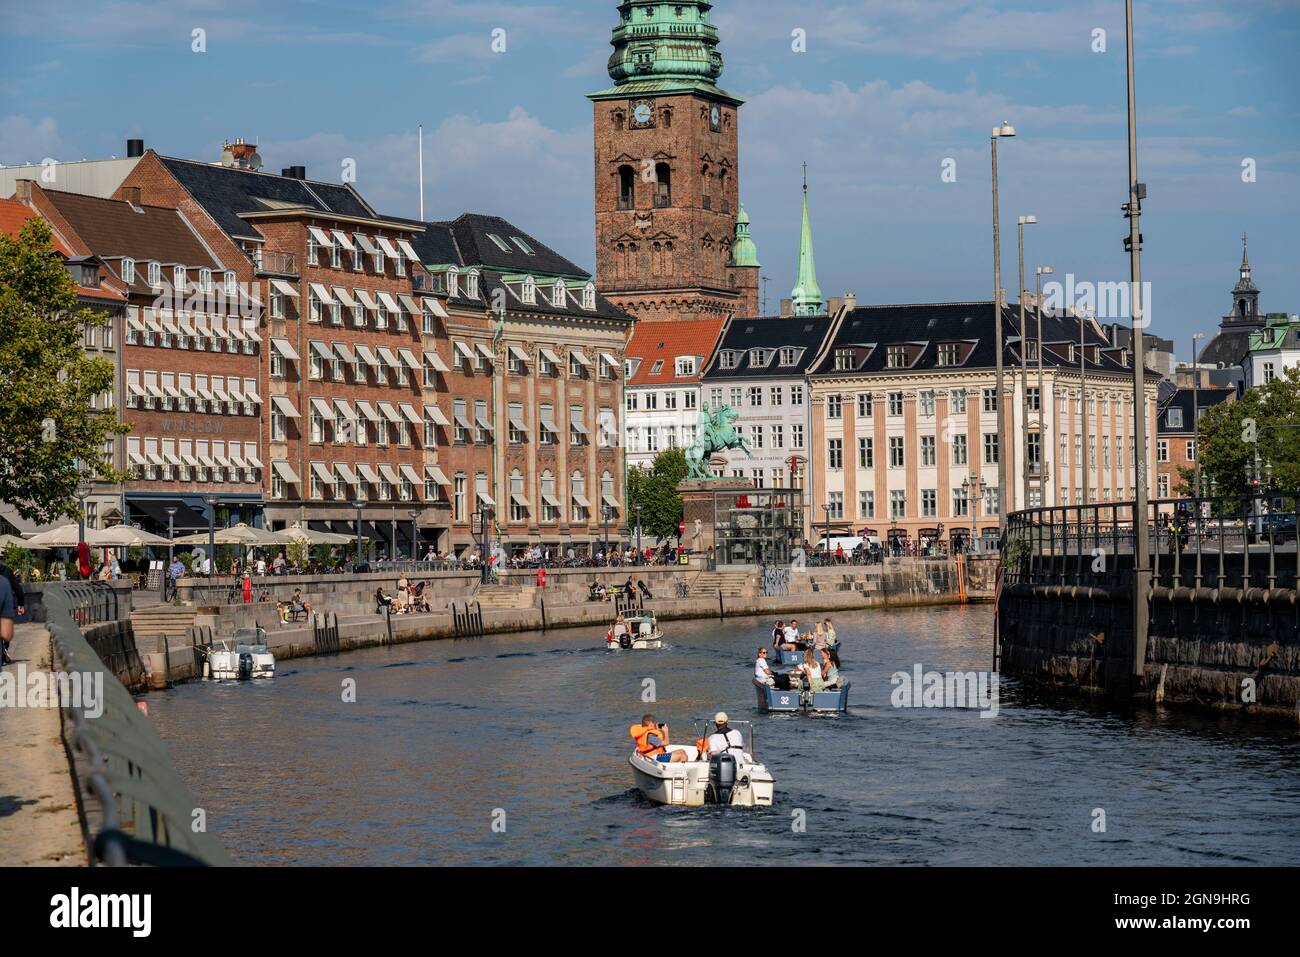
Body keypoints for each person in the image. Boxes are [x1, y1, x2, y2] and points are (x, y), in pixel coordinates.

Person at [0, 561, 22, 666]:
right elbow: (17, 588)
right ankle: (4, 648)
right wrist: (21, 603)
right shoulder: (7, 571)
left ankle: (3, 650)